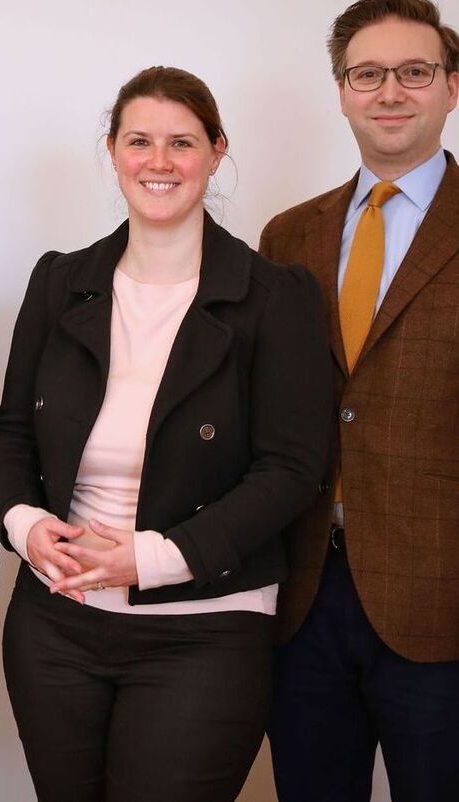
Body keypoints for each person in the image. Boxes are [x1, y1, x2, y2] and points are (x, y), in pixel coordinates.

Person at [0, 65, 332, 802]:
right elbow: (12, 434)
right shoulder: (60, 281)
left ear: (216, 151)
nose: (159, 161)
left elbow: (292, 469)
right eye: (139, 141)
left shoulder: (274, 295)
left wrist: (155, 557)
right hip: (56, 622)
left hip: (205, 627)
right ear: (112, 150)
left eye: (182, 142)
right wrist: (24, 525)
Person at [258, 1, 459, 800]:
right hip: (301, 598)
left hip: (441, 601)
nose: (390, 92)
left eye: (414, 71)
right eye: (367, 74)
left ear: (450, 86)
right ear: (341, 92)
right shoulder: (287, 237)